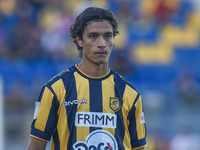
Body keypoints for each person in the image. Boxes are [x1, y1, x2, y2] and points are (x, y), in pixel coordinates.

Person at [27, 6, 147, 150]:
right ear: (80, 40)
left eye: (107, 36)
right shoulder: (55, 89)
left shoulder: (131, 94)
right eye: (93, 36)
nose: (101, 44)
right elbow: (36, 146)